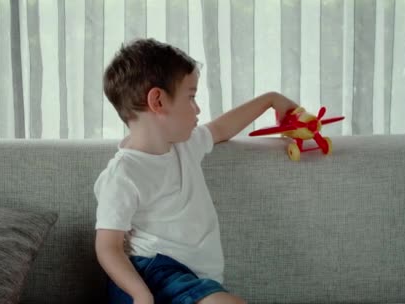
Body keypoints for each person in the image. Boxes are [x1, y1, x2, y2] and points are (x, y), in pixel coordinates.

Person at [94, 38, 298, 304]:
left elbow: (222, 128)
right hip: (151, 274)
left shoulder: (185, 145)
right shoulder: (124, 173)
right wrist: (140, 295)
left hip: (193, 281)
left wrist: (271, 100)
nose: (197, 109)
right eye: (190, 97)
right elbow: (108, 247)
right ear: (157, 101)